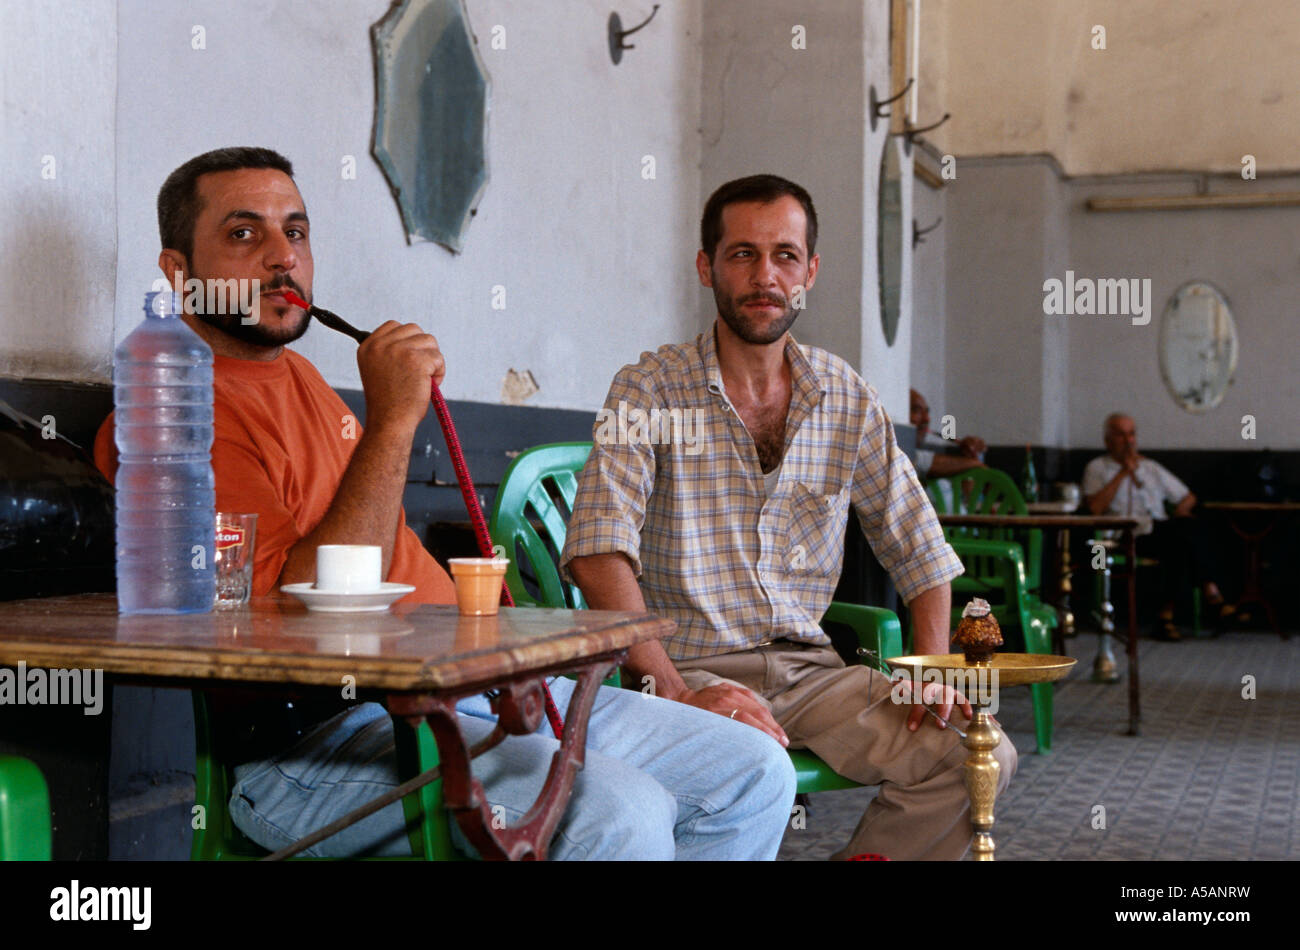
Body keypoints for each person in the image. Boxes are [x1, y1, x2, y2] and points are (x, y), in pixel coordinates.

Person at [93, 147, 795, 860]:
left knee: (750, 770)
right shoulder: (170, 413)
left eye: (296, 233)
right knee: (621, 813)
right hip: (320, 741)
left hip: (473, 692)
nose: (283, 258)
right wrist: (395, 419)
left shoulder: (302, 378)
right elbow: (297, 617)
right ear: (179, 272)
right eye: (245, 234)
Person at [561, 174, 1017, 861]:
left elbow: (919, 549)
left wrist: (928, 668)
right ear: (706, 266)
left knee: (976, 752)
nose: (764, 276)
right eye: (742, 254)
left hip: (813, 675)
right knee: (745, 764)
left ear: (810, 270)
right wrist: (672, 689)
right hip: (691, 664)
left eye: (784, 255)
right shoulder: (649, 387)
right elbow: (599, 551)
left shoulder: (845, 396)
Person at [1082, 413, 1229, 640]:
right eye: (1121, 435)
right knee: (1180, 538)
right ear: (1108, 440)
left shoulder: (1150, 467)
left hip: (1161, 531)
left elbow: (1187, 497)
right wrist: (1123, 472)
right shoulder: (1097, 468)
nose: (1128, 440)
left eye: (1131, 434)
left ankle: (1167, 616)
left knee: (1183, 537)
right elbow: (1095, 509)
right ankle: (1211, 595)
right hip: (1124, 535)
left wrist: (1181, 511)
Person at [909, 388, 986, 479]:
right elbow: (923, 462)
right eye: (917, 410)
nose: (927, 419)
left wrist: (968, 456)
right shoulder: (901, 453)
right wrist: (975, 463)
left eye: (926, 412)